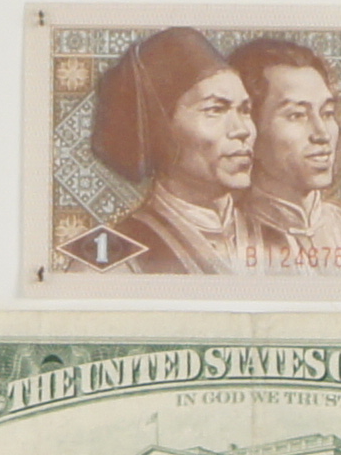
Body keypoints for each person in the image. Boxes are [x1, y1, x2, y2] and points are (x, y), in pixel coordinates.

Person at [70, 27, 253, 273]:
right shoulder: (108, 260)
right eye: (215, 110)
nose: (242, 130)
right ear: (161, 128)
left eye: (245, 110)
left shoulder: (285, 236)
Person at [228, 38, 341, 273]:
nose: (322, 134)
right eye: (297, 115)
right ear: (251, 128)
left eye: (327, 113)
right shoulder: (223, 243)